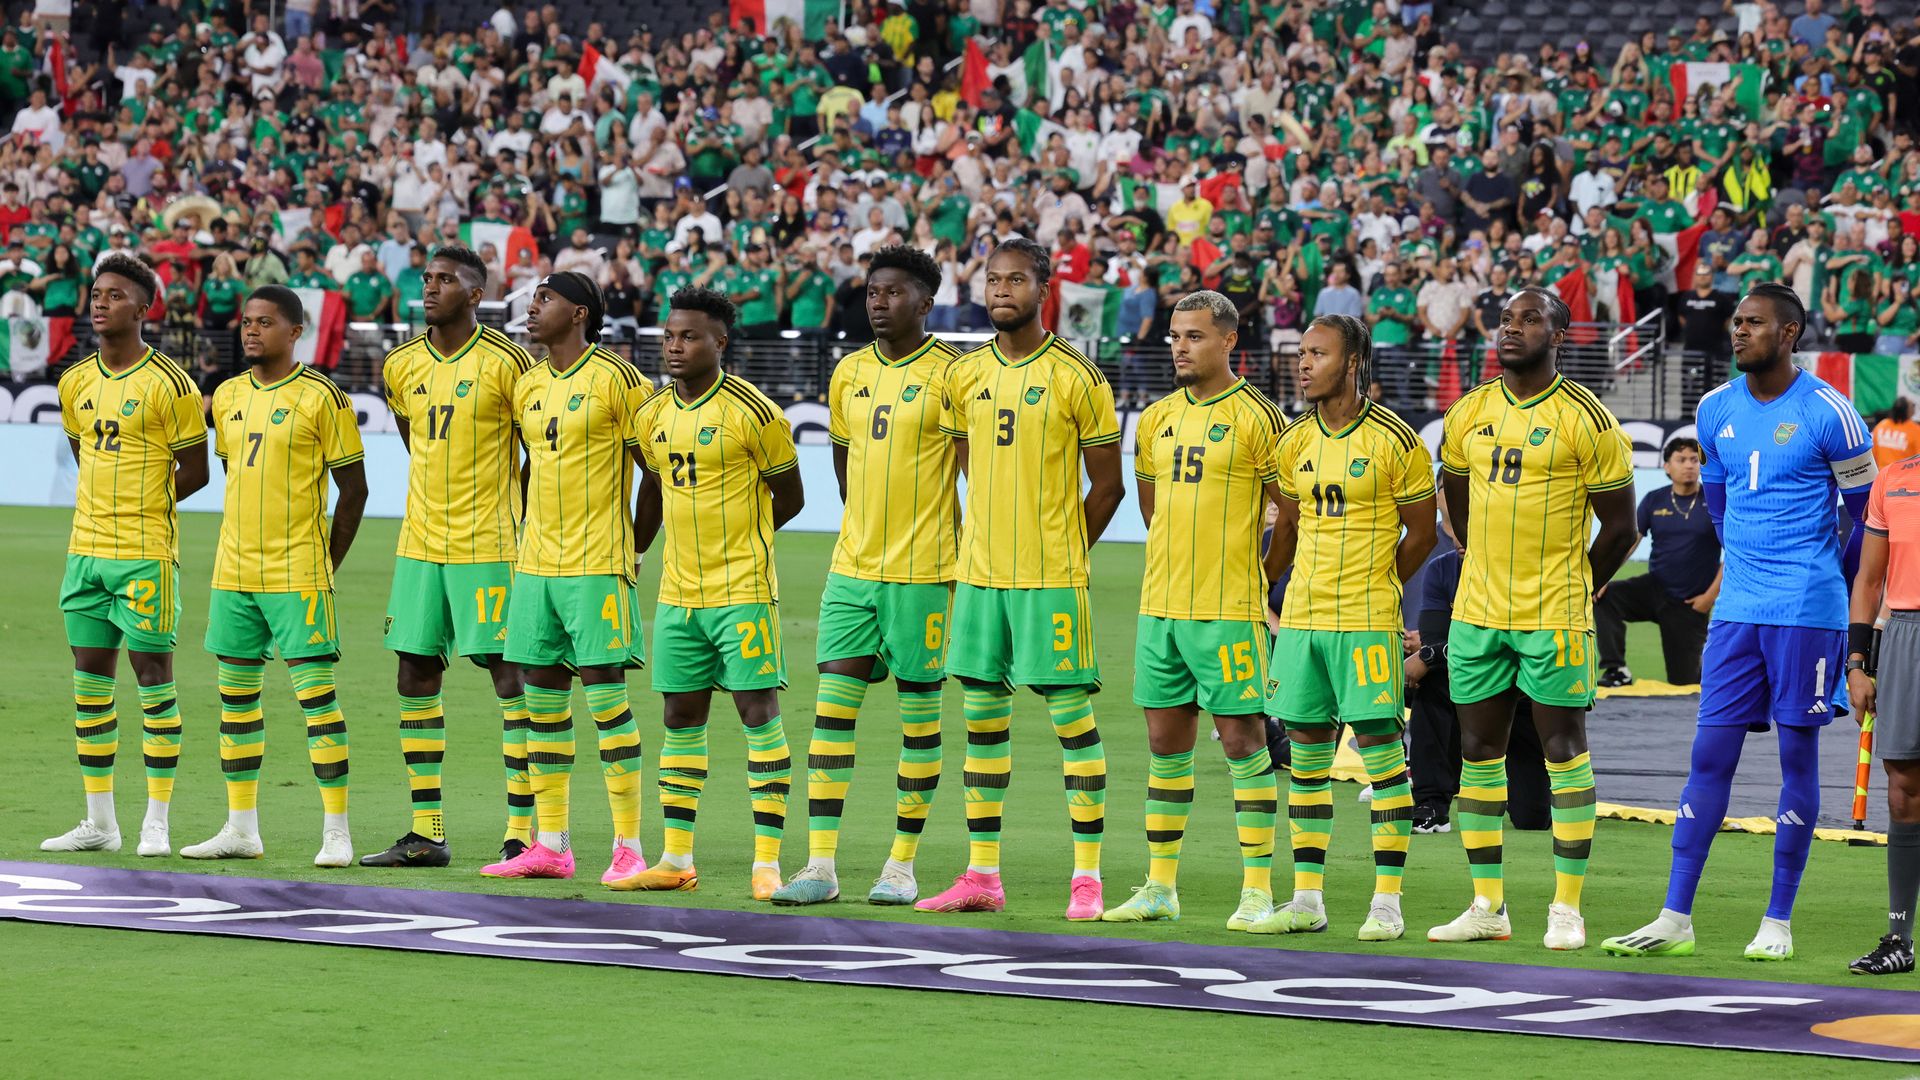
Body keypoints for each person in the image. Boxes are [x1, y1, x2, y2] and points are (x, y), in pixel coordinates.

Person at [1605, 282, 1878, 963]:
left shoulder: (1831, 413)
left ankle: (1778, 920)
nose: (1738, 333)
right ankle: (1675, 915)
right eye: (1736, 322)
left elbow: (1868, 518)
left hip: (1805, 613)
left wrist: (1824, 579)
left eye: (1754, 323)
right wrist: (1747, 567)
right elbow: (1722, 510)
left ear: (1789, 334)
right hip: (1737, 613)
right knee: (1709, 755)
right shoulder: (1714, 408)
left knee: (1797, 757)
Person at [916, 239, 1125, 920]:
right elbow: (967, 463)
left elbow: (1110, 486)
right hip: (979, 578)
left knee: (1072, 720)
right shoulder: (964, 374)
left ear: (1044, 289)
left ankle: (1087, 878)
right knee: (981, 720)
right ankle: (981, 874)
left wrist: (1064, 550)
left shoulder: (1079, 376)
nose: (1002, 290)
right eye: (992, 280)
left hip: (1050, 579)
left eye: (1016, 280)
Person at [1432, 286, 1638, 950]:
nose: (1510, 329)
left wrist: (1582, 586)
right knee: (1478, 752)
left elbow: (1622, 528)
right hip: (1480, 612)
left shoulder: (1588, 418)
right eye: (1504, 320)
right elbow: (1455, 500)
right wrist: (1480, 558)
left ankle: (1567, 909)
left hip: (1554, 614)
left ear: (1561, 333)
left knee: (1563, 750)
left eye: (1529, 319)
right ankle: (1488, 905)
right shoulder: (1469, 412)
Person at [770, 248, 962, 907]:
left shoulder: (953, 374)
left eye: (893, 292)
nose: (878, 302)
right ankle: (820, 866)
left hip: (925, 573)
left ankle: (901, 866)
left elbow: (972, 478)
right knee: (831, 717)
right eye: (873, 291)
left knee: (919, 722)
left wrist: (959, 563)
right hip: (852, 571)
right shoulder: (848, 373)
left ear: (925, 303)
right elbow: (846, 470)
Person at [1097, 290, 1287, 931]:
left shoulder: (1261, 418)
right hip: (1161, 607)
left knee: (1242, 742)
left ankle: (1258, 890)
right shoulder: (1153, 418)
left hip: (1229, 609)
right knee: (1163, 747)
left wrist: (1255, 581)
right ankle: (1159, 886)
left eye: (1195, 336)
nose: (1180, 346)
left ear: (1229, 341)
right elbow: (1151, 509)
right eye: (1175, 335)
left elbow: (1284, 516)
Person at [611, 287, 805, 900]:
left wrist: (742, 542)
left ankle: (767, 861)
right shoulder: (650, 415)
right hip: (677, 595)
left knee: (757, 714)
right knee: (680, 718)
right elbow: (655, 485)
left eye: (689, 336)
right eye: (668, 336)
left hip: (743, 591)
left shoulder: (756, 412)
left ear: (720, 343)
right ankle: (675, 858)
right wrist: (640, 550)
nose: (674, 346)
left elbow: (791, 496)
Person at [1252, 313, 1437, 941]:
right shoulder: (1293, 441)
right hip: (1301, 621)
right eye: (1301, 353)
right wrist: (1263, 580)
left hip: (1364, 621)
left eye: (1317, 354)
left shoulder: (1397, 439)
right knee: (1306, 760)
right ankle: (1308, 898)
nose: (1303, 364)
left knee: (1383, 758)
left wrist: (1378, 581)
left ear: (1351, 363)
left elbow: (1424, 533)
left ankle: (1387, 902)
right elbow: (1289, 526)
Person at [359, 246, 537, 869]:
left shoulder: (510, 363)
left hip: (489, 544)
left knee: (506, 672)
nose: (431, 288)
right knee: (413, 672)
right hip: (419, 544)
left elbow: (536, 451)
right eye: (427, 278)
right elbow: (414, 439)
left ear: (476, 294)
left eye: (446, 280)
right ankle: (426, 830)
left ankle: (522, 828)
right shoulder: (401, 364)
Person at [181, 286, 368, 865]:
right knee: (236, 700)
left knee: (318, 701)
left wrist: (324, 563)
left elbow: (355, 489)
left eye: (265, 322)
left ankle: (336, 831)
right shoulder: (228, 396)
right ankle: (241, 828)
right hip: (233, 570)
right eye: (246, 322)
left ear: (295, 331)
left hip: (297, 573)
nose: (251, 331)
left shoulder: (323, 396)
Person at [478, 273, 650, 884]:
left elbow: (652, 471)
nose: (532, 308)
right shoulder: (526, 384)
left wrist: (633, 548)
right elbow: (528, 467)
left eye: (544, 300)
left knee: (607, 700)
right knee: (540, 701)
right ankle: (551, 843)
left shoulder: (620, 378)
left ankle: (628, 846)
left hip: (597, 564)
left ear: (580, 313)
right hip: (535, 566)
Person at [42, 254, 209, 858]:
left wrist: (140, 504)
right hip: (84, 553)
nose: (100, 302)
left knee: (153, 683)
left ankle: (157, 820)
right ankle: (100, 822)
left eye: (115, 295)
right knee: (91, 686)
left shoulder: (172, 384)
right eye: (96, 293)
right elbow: (82, 450)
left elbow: (193, 472)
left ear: (144, 308)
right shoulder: (75, 381)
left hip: (145, 555)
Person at [1845, 448, 1920, 976]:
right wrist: (1856, 663)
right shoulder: (1893, 479)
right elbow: (1869, 581)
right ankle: (1899, 940)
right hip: (1905, 638)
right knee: (1904, 787)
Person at [1596, 437, 1723, 687]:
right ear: (1667, 467)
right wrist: (1603, 577)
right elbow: (1629, 541)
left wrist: (1709, 597)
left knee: (1685, 685)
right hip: (1654, 589)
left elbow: (1735, 553)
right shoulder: (1654, 499)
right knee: (1604, 596)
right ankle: (1616, 669)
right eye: (1681, 459)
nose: (1689, 465)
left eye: (1694, 460)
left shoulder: (1716, 500)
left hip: (1690, 602)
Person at [1873, 397, 1920, 468]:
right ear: (1907, 410)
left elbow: (1873, 453)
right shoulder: (1915, 430)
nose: (1914, 408)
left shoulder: (1881, 426)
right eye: (1913, 405)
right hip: (1903, 476)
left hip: (1882, 475)